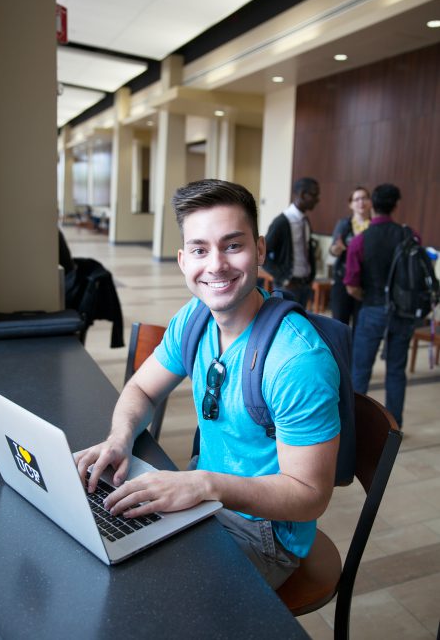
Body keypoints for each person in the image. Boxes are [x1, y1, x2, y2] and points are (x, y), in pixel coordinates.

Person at [75, 179, 340, 590]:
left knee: (140, 590)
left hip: (265, 535)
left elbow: (309, 495)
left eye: (233, 245)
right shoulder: (194, 320)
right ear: (183, 260)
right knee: (95, 548)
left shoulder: (296, 361)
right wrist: (119, 438)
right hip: (204, 497)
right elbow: (141, 390)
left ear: (261, 249)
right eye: (200, 250)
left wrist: (202, 483)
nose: (215, 265)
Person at [344, 183, 417, 428]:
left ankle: (356, 425)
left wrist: (367, 296)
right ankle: (393, 428)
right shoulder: (410, 236)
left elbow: (351, 285)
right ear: (396, 205)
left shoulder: (360, 241)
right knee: (396, 370)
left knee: (360, 370)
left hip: (372, 308)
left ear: (373, 205)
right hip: (403, 312)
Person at [263, 177, 320, 307]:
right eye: (314, 195)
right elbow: (261, 254)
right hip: (287, 287)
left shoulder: (305, 221)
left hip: (304, 284)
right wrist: (283, 278)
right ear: (302, 195)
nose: (318, 200)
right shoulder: (282, 222)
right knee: (285, 323)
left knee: (300, 323)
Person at [329, 187, 371, 327]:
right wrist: (337, 249)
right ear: (351, 204)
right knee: (339, 324)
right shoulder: (343, 224)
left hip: (365, 283)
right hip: (343, 280)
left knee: (361, 326)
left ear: (370, 202)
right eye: (357, 199)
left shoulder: (374, 226)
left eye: (364, 198)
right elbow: (332, 250)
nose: (361, 202)